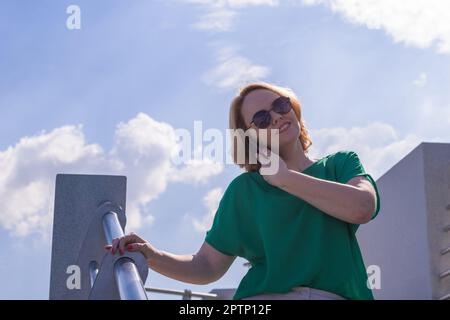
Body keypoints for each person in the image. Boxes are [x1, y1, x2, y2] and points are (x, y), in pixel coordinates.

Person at [106, 81, 380, 300]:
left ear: (293, 108)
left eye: (280, 105)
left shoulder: (341, 164)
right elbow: (207, 265)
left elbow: (362, 207)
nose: (275, 117)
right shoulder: (244, 191)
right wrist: (153, 256)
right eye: (261, 118)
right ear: (249, 137)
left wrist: (285, 179)